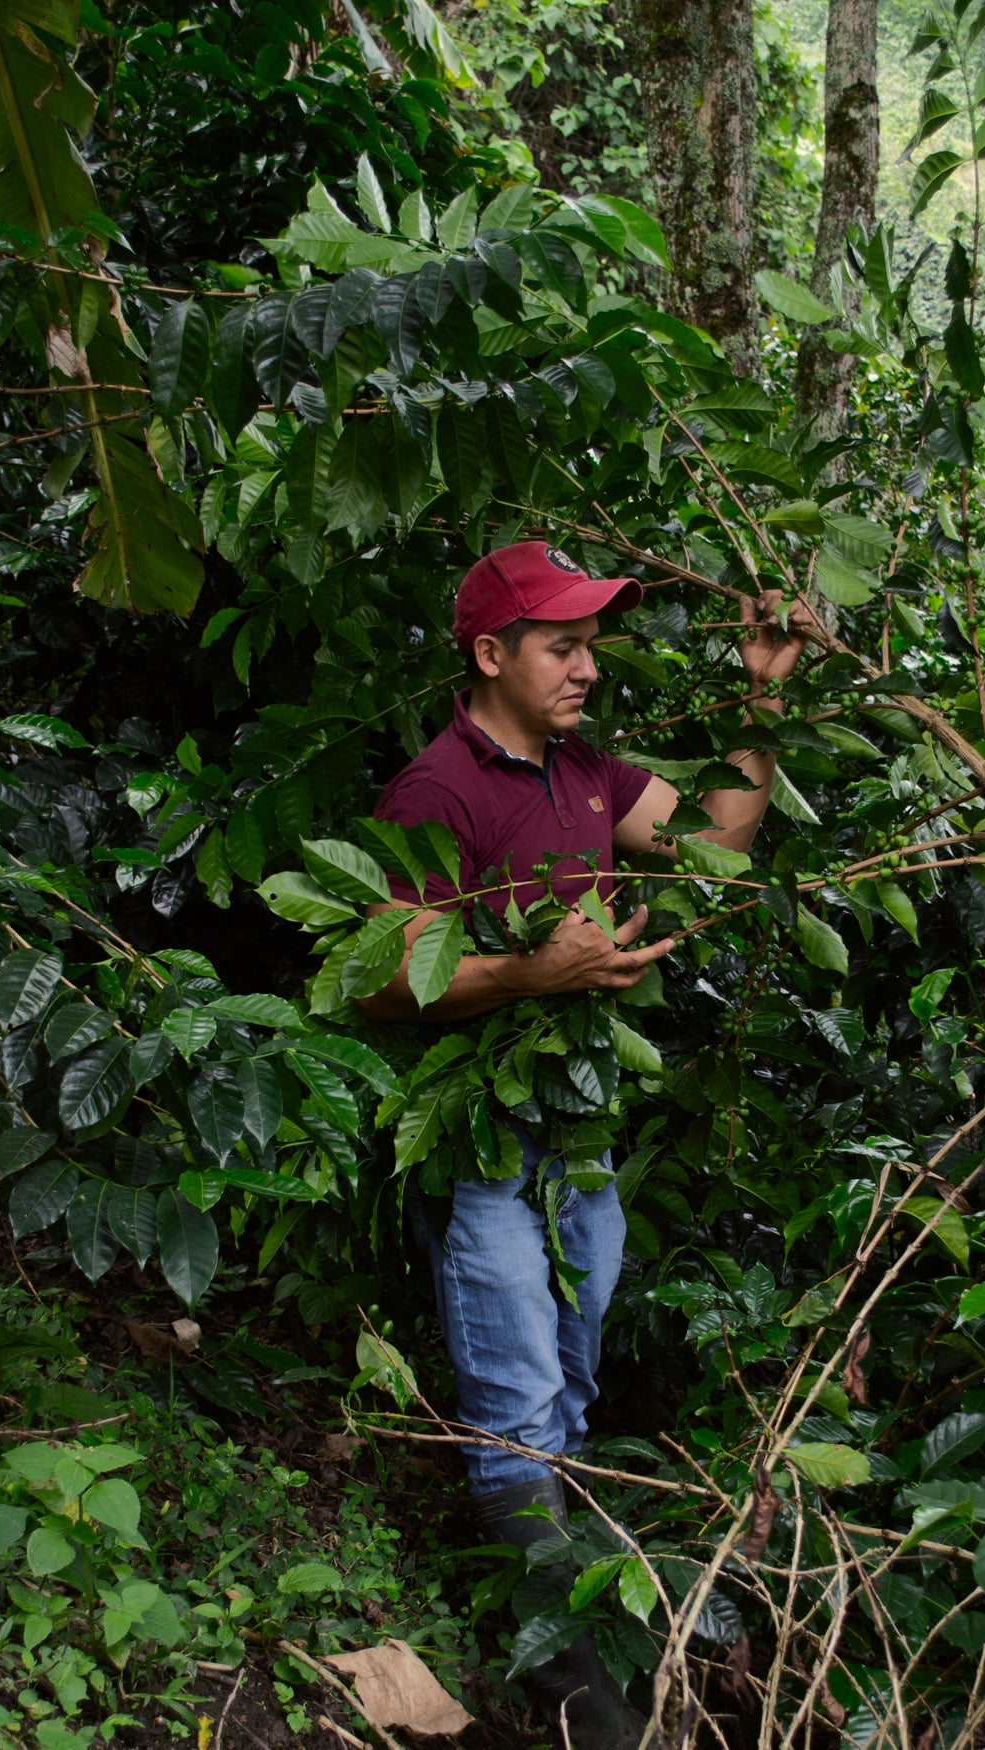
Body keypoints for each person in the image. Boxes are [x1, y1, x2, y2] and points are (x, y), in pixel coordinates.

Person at [362, 541, 810, 1746]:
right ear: (489, 654)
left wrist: (759, 694)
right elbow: (380, 984)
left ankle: (567, 1600)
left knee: (563, 1376)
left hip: (579, 1134)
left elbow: (720, 839)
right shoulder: (434, 792)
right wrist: (525, 971)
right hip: (479, 1140)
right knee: (514, 1391)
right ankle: (589, 1710)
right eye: (561, 644)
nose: (586, 666)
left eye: (589, 642)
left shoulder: (591, 774)